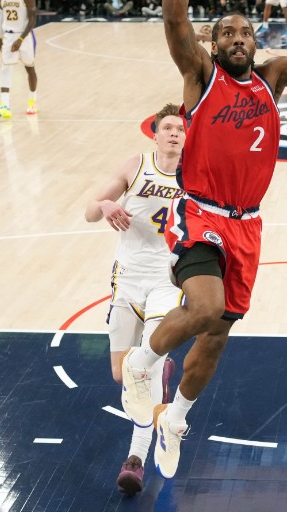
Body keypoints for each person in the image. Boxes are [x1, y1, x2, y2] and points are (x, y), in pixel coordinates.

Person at [119, 0, 287, 481]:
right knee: (202, 308)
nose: (237, 39)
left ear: (256, 41)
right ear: (214, 42)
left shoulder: (273, 78)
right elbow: (174, 17)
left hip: (247, 224)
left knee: (217, 336)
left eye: (245, 33)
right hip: (199, 212)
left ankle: (176, 419)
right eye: (226, 33)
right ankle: (142, 363)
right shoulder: (201, 77)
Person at [84, 104, 185, 496]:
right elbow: (89, 212)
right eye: (168, 128)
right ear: (155, 134)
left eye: (180, 129)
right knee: (119, 374)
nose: (174, 133)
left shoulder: (195, 173)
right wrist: (105, 204)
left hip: (166, 281)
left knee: (142, 371)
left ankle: (135, 460)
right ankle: (160, 370)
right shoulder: (135, 165)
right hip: (126, 279)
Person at [0, 0, 39, 119]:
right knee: (5, 68)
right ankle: (5, 106)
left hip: (25, 36)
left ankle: (32, 101)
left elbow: (32, 20)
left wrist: (21, 39)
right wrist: (0, 38)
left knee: (30, 68)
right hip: (8, 36)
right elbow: (1, 17)